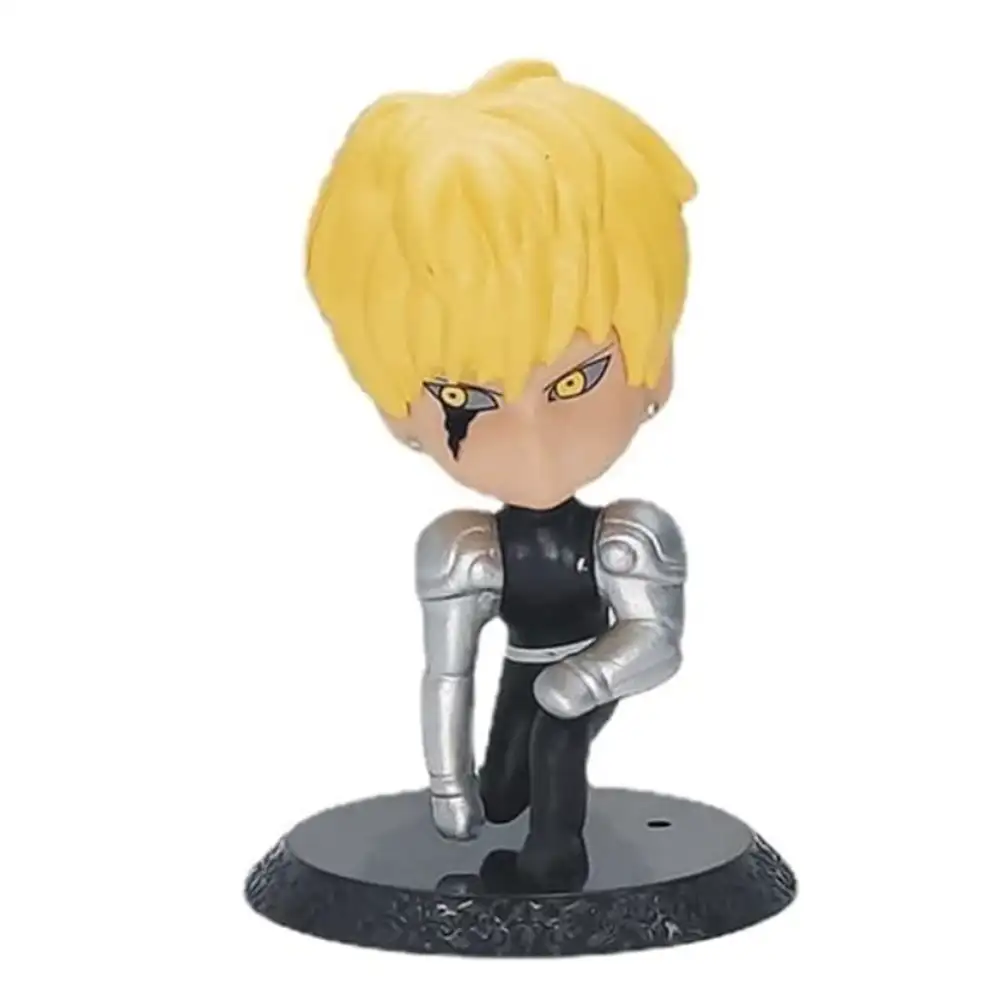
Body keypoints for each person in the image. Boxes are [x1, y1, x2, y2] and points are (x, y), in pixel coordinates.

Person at [306, 59, 694, 889]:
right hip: (527, 670)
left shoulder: (628, 536)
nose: (534, 440)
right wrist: (449, 786)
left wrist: (583, 679)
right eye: (464, 398)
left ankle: (556, 858)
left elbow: (660, 641)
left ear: (656, 365)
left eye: (575, 383)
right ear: (396, 411)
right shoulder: (463, 549)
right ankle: (511, 805)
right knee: (504, 787)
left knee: (554, 740)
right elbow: (447, 672)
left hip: (576, 674)